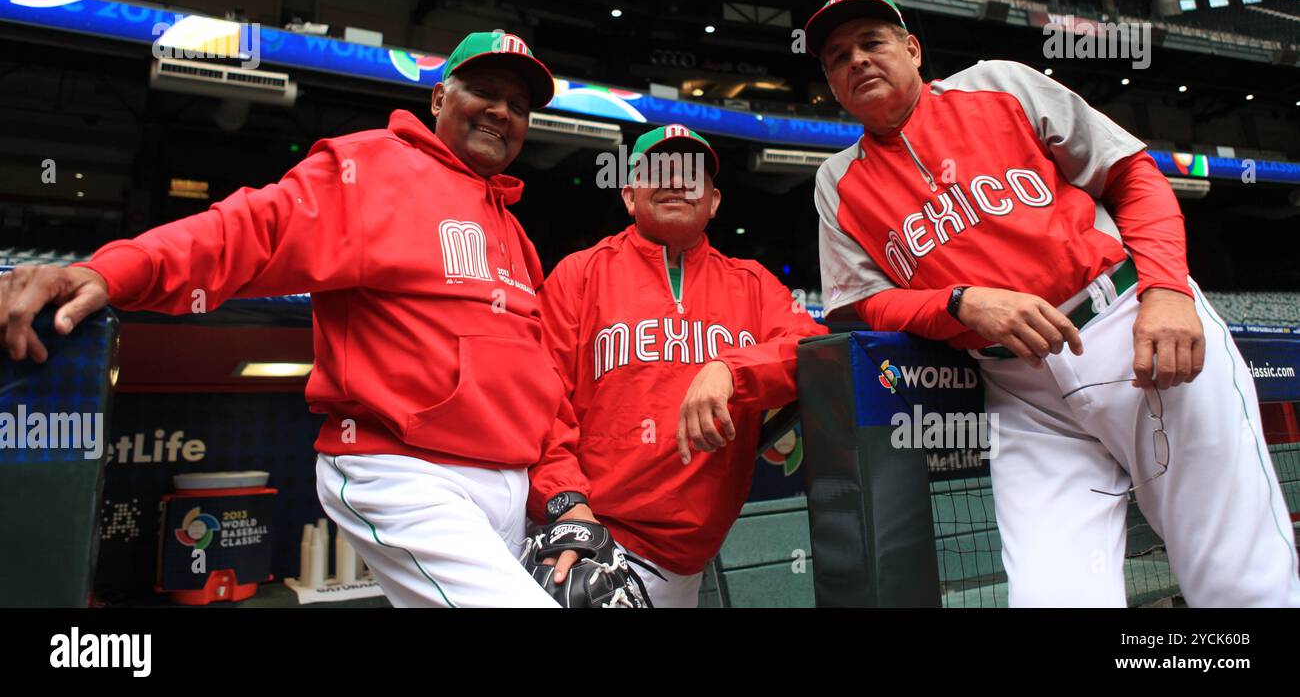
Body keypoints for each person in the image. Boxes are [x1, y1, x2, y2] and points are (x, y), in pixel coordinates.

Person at [0, 31, 567, 608]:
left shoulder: (515, 234)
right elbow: (245, 233)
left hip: (509, 483)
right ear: (440, 98)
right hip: (408, 471)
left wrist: (566, 499)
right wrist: (111, 271)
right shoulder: (371, 168)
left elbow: (542, 385)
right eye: (485, 91)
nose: (502, 111)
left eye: (518, 106)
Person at [803, 0, 1300, 607]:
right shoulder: (837, 181)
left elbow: (1133, 174)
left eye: (871, 42)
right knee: (1052, 595)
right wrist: (959, 302)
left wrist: (1167, 290)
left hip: (1126, 324)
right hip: (1021, 390)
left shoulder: (999, 83)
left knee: (1233, 572)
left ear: (912, 48)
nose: (856, 61)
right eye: (836, 57)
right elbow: (861, 305)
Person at [527, 124, 826, 607]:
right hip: (595, 537)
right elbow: (540, 404)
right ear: (629, 195)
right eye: (658, 169)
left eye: (693, 173)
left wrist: (731, 369)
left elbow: (813, 351)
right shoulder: (579, 274)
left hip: (686, 556)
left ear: (713, 202)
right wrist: (567, 503)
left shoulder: (753, 284)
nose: (676, 180)